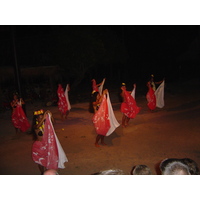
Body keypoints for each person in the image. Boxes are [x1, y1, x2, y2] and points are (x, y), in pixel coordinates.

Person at [31, 109, 68, 174]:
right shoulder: (36, 126)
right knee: (40, 161)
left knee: (46, 159)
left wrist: (50, 115)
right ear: (36, 119)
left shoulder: (46, 125)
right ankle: (42, 173)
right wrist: (44, 118)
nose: (42, 118)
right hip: (39, 146)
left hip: (46, 145)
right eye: (40, 117)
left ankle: (47, 172)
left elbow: (53, 122)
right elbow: (38, 126)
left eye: (42, 117)